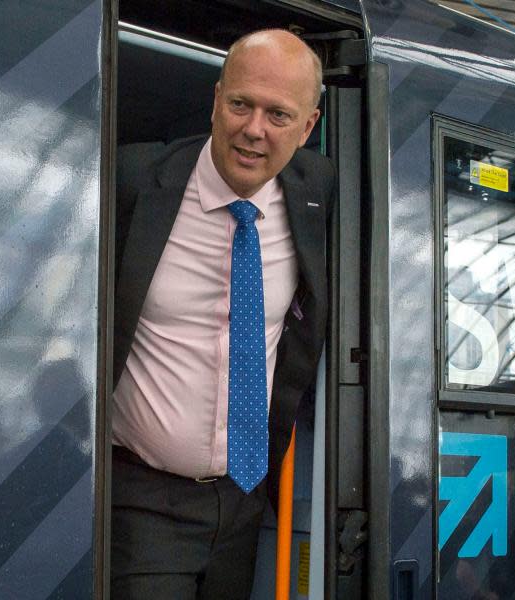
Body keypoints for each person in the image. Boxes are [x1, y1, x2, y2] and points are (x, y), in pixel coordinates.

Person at [109, 29, 333, 599]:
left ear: (308, 127)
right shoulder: (132, 182)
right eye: (240, 104)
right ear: (215, 100)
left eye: (279, 114)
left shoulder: (321, 195)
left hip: (244, 500)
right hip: (142, 499)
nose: (254, 129)